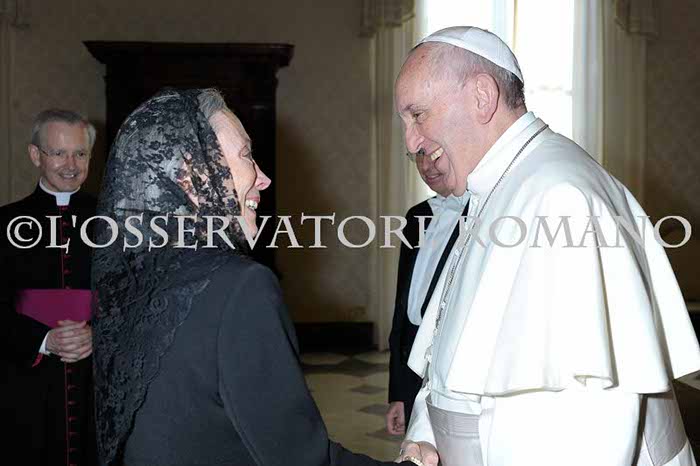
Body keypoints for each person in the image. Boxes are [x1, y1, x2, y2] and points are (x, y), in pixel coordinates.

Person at [394, 26, 700, 466]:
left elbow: (592, 423)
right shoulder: (496, 187)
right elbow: (446, 352)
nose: (411, 142)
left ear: (482, 96)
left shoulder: (560, 196)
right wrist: (426, 438)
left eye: (417, 115)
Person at [91, 88, 426, 466]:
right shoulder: (238, 287)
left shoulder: (132, 278)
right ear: (190, 173)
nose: (263, 178)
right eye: (246, 155)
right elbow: (302, 459)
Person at [0, 109, 98, 465]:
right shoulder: (4, 222)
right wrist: (43, 339)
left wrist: (98, 333)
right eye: (58, 153)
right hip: (25, 385)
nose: (71, 165)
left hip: (95, 384)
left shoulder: (116, 222)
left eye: (80, 153)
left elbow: (136, 298)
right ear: (35, 155)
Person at [386, 150, 469, 436]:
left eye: (433, 154)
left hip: (455, 373)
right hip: (412, 369)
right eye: (417, 156)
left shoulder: (485, 214)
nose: (425, 166)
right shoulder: (416, 216)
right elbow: (403, 309)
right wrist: (399, 392)